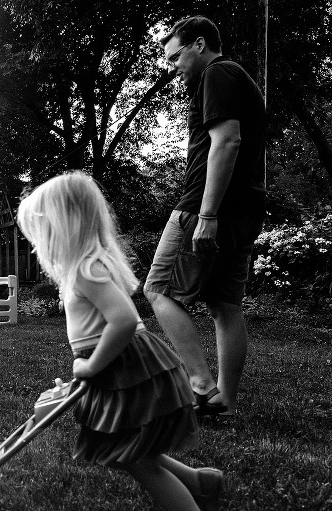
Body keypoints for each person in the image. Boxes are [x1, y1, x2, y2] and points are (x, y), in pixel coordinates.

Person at [17, 171, 223, 511]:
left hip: (124, 366)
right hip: (122, 365)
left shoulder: (87, 268)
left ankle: (194, 498)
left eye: (43, 232)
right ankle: (201, 482)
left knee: (137, 459)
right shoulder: (86, 266)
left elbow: (124, 320)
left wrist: (91, 365)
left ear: (66, 226)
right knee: (125, 450)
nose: (40, 243)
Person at [144, 16, 266, 417]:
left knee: (159, 290)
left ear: (199, 44)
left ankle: (200, 385)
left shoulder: (218, 73)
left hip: (205, 207)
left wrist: (207, 213)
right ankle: (224, 402)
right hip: (245, 210)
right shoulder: (237, 78)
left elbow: (227, 141)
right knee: (225, 305)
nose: (173, 65)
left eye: (175, 56)